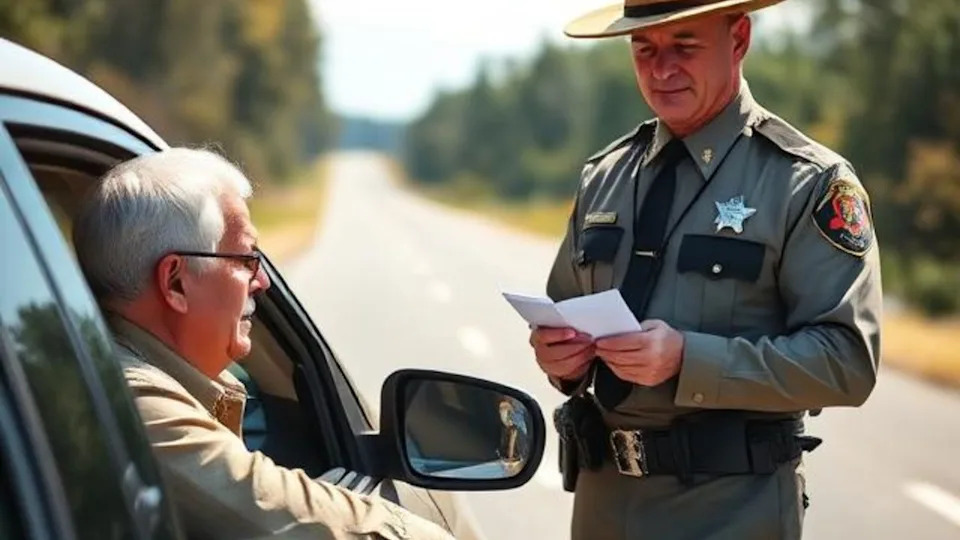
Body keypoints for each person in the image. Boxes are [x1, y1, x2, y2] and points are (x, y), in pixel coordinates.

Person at [529, 1, 882, 539]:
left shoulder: (805, 182)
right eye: (644, 49)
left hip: (731, 509)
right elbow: (564, 315)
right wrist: (560, 359)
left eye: (684, 47)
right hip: (603, 503)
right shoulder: (606, 175)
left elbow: (848, 362)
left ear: (738, 39)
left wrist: (687, 360)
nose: (661, 69)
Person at [73, 148, 453, 540]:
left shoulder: (115, 371)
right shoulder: (132, 400)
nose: (263, 281)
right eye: (245, 259)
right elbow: (267, 505)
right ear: (176, 282)